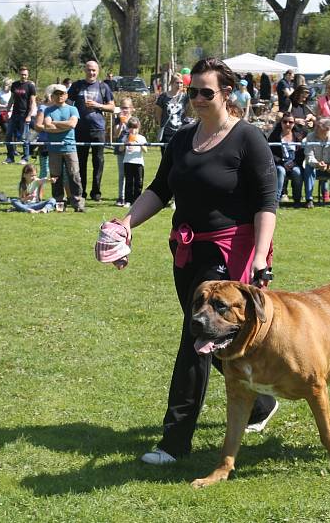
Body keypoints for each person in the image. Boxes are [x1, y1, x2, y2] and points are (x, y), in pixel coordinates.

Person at [111, 57, 278, 466]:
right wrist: (126, 223)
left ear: (227, 94)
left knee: (195, 339)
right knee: (214, 336)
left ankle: (174, 442)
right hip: (185, 250)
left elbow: (266, 201)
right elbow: (159, 189)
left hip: (228, 251)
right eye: (192, 92)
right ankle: (259, 406)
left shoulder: (247, 139)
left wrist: (260, 255)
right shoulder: (182, 139)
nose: (198, 99)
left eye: (207, 92)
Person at [67, 60, 116, 201]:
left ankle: (96, 192)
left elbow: (112, 107)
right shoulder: (77, 86)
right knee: (80, 163)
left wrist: (98, 105)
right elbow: (68, 105)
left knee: (98, 162)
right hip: (80, 130)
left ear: (98, 71)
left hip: (98, 129)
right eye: (89, 70)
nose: (91, 73)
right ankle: (81, 192)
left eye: (94, 70)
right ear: (85, 70)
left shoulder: (103, 86)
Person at [38, 84, 86, 212]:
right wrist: (62, 126)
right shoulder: (48, 110)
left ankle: (78, 203)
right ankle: (59, 203)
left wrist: (55, 123)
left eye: (62, 94)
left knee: (75, 176)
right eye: (57, 94)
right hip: (54, 149)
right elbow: (47, 126)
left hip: (70, 147)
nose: (59, 96)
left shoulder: (73, 109)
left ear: (66, 95)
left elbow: (72, 124)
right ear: (52, 96)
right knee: (55, 177)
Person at [278, 84, 315, 202]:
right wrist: (294, 120)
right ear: (298, 93)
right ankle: (283, 192)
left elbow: (312, 118)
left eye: (306, 97)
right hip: (288, 136)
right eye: (303, 96)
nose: (304, 99)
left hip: (301, 138)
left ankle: (297, 194)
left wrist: (311, 123)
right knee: (284, 161)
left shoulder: (304, 106)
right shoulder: (289, 102)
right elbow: (280, 115)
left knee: (297, 165)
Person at [268, 113, 304, 206]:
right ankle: (276, 200)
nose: (287, 124)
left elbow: (301, 153)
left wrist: (294, 163)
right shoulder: (275, 136)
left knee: (297, 172)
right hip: (280, 163)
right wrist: (282, 162)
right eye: (285, 122)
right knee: (280, 171)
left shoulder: (298, 136)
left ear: (294, 123)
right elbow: (271, 153)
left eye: (290, 122)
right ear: (281, 123)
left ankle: (297, 199)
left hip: (294, 163)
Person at [3, 67, 36, 165]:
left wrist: (29, 115)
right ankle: (10, 157)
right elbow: (11, 99)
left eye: (25, 74)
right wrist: (7, 112)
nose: (24, 76)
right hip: (14, 115)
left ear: (28, 75)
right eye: (22, 74)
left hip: (24, 115)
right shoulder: (15, 85)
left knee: (24, 137)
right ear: (19, 74)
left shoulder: (30, 86)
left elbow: (33, 102)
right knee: (8, 135)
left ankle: (25, 158)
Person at [155, 72, 190, 150]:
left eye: (181, 83)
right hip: (167, 132)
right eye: (177, 83)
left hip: (180, 131)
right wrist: (161, 125)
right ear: (171, 83)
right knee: (166, 157)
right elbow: (158, 114)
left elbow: (187, 112)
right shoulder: (163, 97)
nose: (179, 85)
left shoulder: (185, 97)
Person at [121, 117, 148, 206]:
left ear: (138, 128)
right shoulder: (125, 137)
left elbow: (145, 150)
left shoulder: (141, 138)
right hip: (128, 161)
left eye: (135, 128)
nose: (133, 130)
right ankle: (128, 200)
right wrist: (125, 143)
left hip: (138, 162)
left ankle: (137, 201)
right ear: (128, 128)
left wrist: (138, 142)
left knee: (139, 182)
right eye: (131, 128)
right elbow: (120, 149)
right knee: (129, 182)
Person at [114, 97, 135, 206]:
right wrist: (121, 125)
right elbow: (115, 135)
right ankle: (120, 197)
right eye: (122, 108)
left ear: (131, 109)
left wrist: (128, 123)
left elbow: (135, 133)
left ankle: (129, 197)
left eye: (126, 108)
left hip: (131, 150)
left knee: (130, 174)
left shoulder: (134, 120)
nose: (124, 110)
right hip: (120, 149)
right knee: (122, 174)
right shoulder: (118, 119)